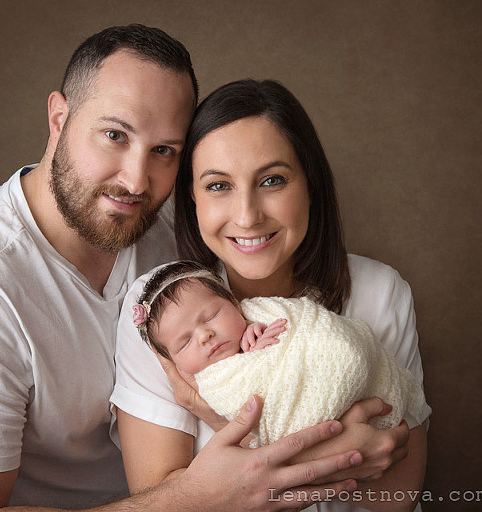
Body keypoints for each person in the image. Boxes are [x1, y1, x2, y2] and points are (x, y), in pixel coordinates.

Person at [0, 26, 368, 512]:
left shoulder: (176, 239)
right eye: (114, 135)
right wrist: (193, 500)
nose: (136, 180)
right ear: (59, 119)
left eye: (164, 151)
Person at [112, 79, 431, 511]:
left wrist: (224, 428)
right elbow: (160, 502)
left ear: (310, 184)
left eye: (272, 180)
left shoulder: (379, 291)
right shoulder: (162, 310)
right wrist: (336, 454)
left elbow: (396, 500)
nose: (247, 216)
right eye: (218, 186)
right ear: (193, 197)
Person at [128, 260, 430, 448]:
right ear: (172, 361)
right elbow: (243, 403)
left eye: (210, 317)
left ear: (234, 303)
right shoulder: (208, 382)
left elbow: (308, 338)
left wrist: (256, 336)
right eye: (184, 343)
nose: (204, 336)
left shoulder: (257, 316)